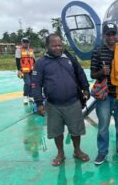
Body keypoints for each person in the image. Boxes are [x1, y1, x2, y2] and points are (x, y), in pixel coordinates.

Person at [32, 34, 90, 166]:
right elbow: (35, 83)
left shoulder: (69, 58)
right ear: (47, 46)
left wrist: (86, 88)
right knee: (57, 131)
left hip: (73, 102)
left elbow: (80, 72)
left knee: (76, 130)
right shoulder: (41, 63)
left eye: (60, 45)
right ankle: (60, 153)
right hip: (53, 105)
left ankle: (77, 150)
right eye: (54, 45)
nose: (58, 48)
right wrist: (39, 102)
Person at [90, 23, 118, 165]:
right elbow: (92, 74)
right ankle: (102, 152)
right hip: (105, 95)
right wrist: (101, 73)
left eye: (113, 34)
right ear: (104, 36)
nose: (111, 37)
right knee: (103, 126)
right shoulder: (97, 52)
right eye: (108, 34)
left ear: (117, 35)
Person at [15, 37, 35, 104]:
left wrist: (36, 68)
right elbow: (17, 61)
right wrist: (19, 70)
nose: (26, 43)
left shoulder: (31, 50)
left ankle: (31, 97)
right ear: (22, 42)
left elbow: (33, 60)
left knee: (32, 83)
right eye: (24, 42)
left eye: (27, 42)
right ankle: (25, 97)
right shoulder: (19, 50)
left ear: (29, 43)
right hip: (24, 70)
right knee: (27, 83)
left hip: (32, 70)